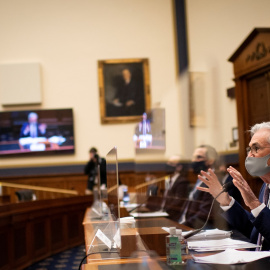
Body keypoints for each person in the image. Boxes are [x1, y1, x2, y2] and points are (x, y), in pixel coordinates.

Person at [197, 122, 270, 250]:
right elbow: (256, 230)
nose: (249, 155)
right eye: (249, 149)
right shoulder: (265, 187)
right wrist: (226, 202)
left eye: (256, 148)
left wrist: (253, 203)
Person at [178, 145, 224, 229]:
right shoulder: (201, 179)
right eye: (193, 157)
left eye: (198, 157)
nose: (194, 160)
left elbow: (204, 215)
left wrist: (181, 226)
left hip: (199, 229)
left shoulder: (212, 182)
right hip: (187, 225)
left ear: (210, 160)